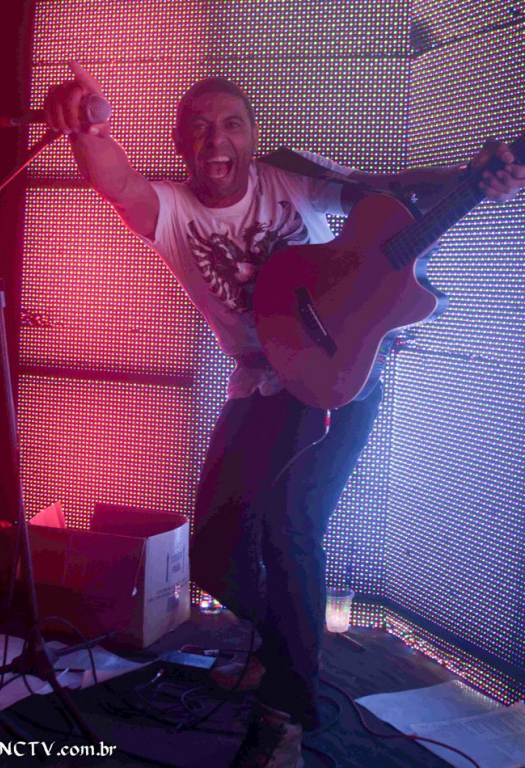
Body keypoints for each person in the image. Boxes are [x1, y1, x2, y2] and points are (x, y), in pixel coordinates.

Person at [44, 63, 524, 768]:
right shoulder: (171, 210)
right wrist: (85, 129)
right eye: (199, 128)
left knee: (290, 525)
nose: (216, 139)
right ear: (179, 144)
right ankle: (282, 648)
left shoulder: (291, 175)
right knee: (213, 548)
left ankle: (284, 714)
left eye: (231, 124)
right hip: (260, 384)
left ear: (252, 135)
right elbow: (116, 181)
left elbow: (391, 192)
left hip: (337, 382)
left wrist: (472, 175)